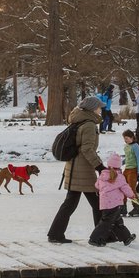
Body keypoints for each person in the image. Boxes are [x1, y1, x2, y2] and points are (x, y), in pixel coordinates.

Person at [47, 96, 106, 244]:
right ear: (93, 109)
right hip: (83, 170)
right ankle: (101, 234)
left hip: (73, 167)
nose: (101, 109)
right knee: (96, 203)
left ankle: (55, 233)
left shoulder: (79, 121)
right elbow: (87, 149)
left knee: (73, 203)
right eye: (99, 107)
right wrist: (100, 166)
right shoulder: (89, 125)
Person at [88, 152, 136, 247]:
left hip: (105, 203)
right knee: (106, 222)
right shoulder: (120, 177)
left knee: (117, 221)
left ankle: (126, 237)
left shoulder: (103, 175)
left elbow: (97, 185)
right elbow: (126, 188)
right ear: (119, 166)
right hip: (115, 204)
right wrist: (132, 196)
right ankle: (94, 239)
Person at [121, 129, 139, 217]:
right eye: (124, 138)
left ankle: (137, 208)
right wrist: (120, 163)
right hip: (126, 170)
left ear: (132, 138)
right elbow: (127, 158)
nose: (125, 140)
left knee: (131, 190)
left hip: (133, 170)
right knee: (122, 188)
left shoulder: (136, 146)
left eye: (126, 138)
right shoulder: (126, 146)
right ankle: (123, 207)